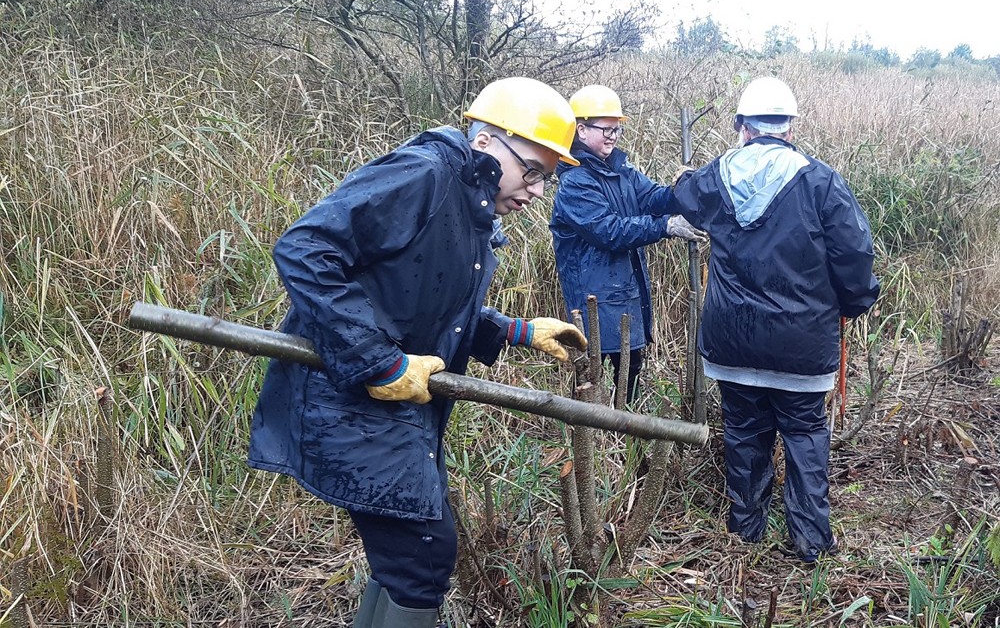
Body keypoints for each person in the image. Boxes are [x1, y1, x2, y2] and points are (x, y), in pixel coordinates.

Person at [246, 77, 589, 628]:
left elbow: (420, 300)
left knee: (409, 562)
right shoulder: (424, 175)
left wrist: (515, 331)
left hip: (396, 409)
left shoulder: (472, 205)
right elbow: (306, 249)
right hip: (350, 401)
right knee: (422, 557)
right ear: (486, 144)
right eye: (531, 170)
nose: (536, 191)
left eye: (546, 178)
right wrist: (377, 363)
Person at [672, 77, 880, 562]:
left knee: (744, 431)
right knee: (805, 435)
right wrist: (854, 303)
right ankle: (809, 543)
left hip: (732, 344)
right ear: (789, 128)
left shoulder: (713, 179)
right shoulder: (821, 181)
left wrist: (686, 179)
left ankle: (744, 534)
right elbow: (855, 257)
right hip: (802, 348)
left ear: (742, 127)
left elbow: (683, 196)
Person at [550, 84, 706, 403]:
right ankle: (594, 446)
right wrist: (667, 226)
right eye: (606, 129)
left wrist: (683, 191)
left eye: (616, 129)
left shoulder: (622, 171)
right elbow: (610, 231)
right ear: (580, 129)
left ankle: (629, 446)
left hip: (625, 299)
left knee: (631, 378)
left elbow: (651, 197)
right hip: (595, 304)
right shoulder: (575, 184)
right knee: (591, 381)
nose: (613, 136)